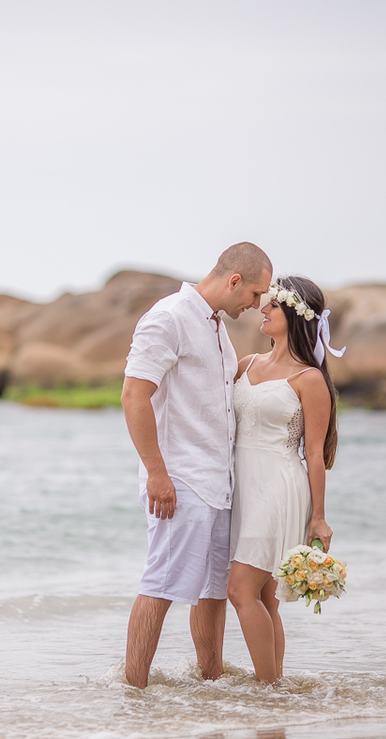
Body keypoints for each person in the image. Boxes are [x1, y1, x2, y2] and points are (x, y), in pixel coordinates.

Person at [121, 242, 274, 689]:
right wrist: (156, 472)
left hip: (218, 482)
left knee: (212, 592)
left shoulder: (216, 328)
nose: (256, 305)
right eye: (254, 294)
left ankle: (212, 685)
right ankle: (135, 692)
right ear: (234, 281)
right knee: (162, 584)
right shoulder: (168, 318)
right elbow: (134, 395)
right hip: (180, 479)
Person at [226, 275, 343, 685]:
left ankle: (266, 691)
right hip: (242, 488)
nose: (263, 308)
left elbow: (314, 454)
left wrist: (320, 518)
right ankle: (276, 689)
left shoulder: (309, 380)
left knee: (240, 590)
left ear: (295, 315)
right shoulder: (246, 364)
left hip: (279, 486)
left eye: (273, 304)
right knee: (263, 599)